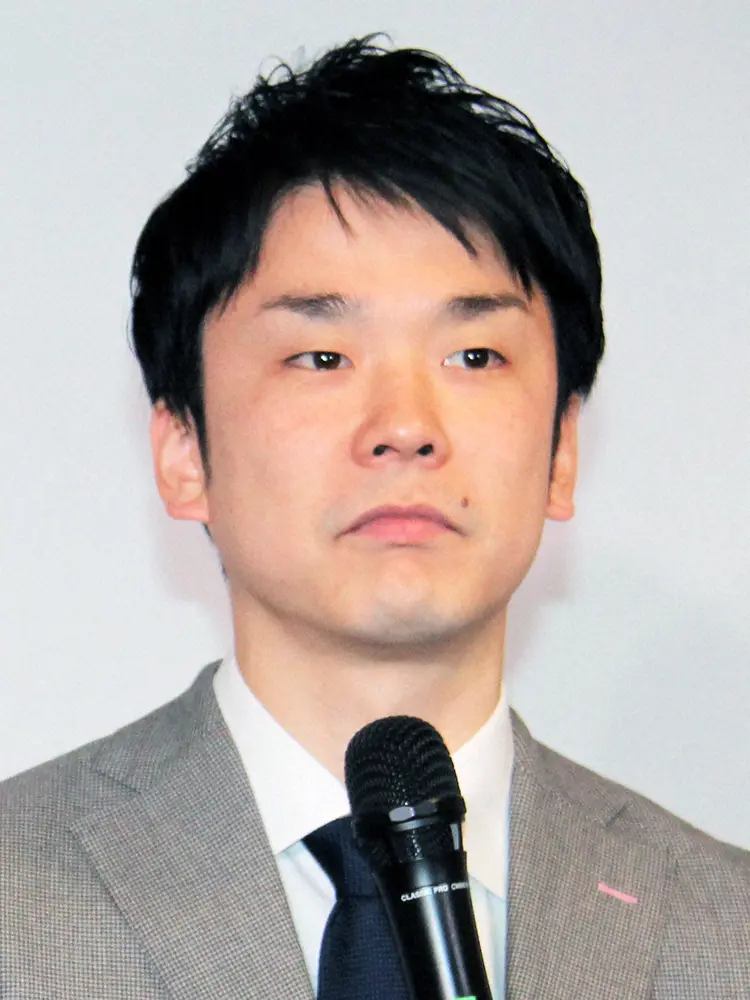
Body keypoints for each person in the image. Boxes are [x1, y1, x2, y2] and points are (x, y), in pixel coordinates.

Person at [1, 36, 747, 1000]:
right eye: (322, 359)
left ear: (562, 451)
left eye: (474, 357)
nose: (404, 427)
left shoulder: (724, 930)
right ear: (185, 451)